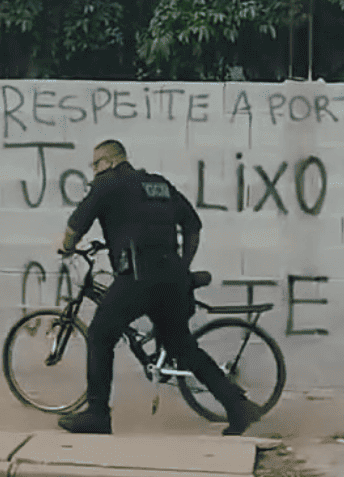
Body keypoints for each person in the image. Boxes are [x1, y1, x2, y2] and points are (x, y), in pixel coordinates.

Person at [56, 139, 264, 436]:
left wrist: (66, 248)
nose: (95, 171)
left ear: (110, 161)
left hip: (137, 278)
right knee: (183, 347)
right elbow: (194, 225)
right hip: (173, 279)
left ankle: (98, 414)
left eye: (96, 164)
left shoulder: (106, 186)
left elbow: (75, 227)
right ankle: (237, 406)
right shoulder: (159, 185)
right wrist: (183, 265)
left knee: (100, 335)